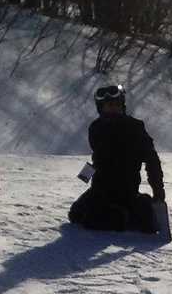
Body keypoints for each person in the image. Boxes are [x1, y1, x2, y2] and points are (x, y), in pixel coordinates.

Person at [68, 83, 165, 232]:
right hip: (100, 189)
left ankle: (133, 211)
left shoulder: (135, 127)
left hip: (126, 190)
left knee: (93, 220)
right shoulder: (96, 127)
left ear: (122, 105)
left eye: (116, 105)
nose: (112, 108)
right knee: (75, 215)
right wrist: (85, 174)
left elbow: (152, 160)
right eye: (108, 105)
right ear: (101, 108)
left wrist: (158, 191)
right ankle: (128, 213)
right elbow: (98, 157)